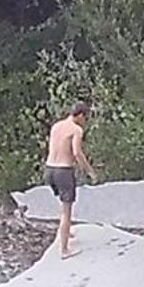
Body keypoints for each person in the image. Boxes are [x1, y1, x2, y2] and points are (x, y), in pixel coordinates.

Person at [42, 102, 99, 259]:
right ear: (80, 115)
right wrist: (90, 172)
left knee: (62, 204)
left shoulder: (56, 126)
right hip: (63, 170)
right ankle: (65, 249)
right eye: (85, 118)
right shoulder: (76, 130)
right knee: (67, 211)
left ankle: (66, 232)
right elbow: (77, 153)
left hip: (49, 169)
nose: (85, 122)